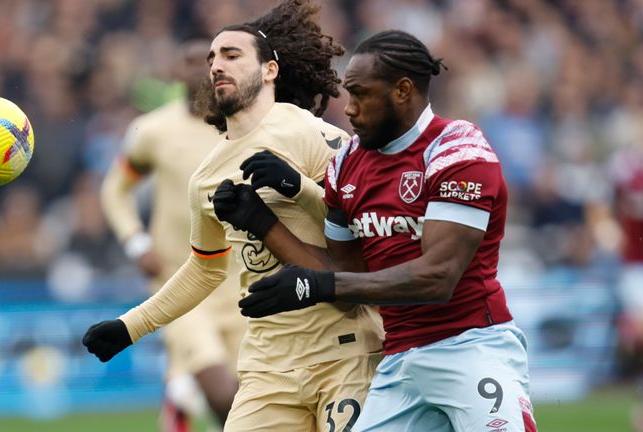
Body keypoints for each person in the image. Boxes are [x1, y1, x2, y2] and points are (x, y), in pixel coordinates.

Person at [215, 30, 539, 431]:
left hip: (470, 345)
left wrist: (315, 286)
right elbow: (346, 278)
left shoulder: (457, 150)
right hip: (398, 360)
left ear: (402, 91)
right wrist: (261, 223)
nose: (348, 110)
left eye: (360, 94)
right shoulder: (346, 163)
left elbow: (438, 278)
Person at [83, 1, 384, 430]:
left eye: (231, 55)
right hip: (267, 364)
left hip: (343, 352)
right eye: (212, 58)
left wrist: (299, 189)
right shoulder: (206, 177)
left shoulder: (313, 135)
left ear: (270, 71)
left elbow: (367, 225)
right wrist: (130, 326)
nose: (216, 65)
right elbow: (203, 270)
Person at [99, 38, 245, 429]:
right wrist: (136, 241)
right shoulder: (153, 131)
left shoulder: (246, 126)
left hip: (243, 284)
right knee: (220, 391)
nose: (203, 68)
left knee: (246, 397)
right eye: (191, 61)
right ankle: (181, 397)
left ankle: (178, 400)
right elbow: (115, 190)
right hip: (181, 284)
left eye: (213, 60)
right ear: (174, 72)